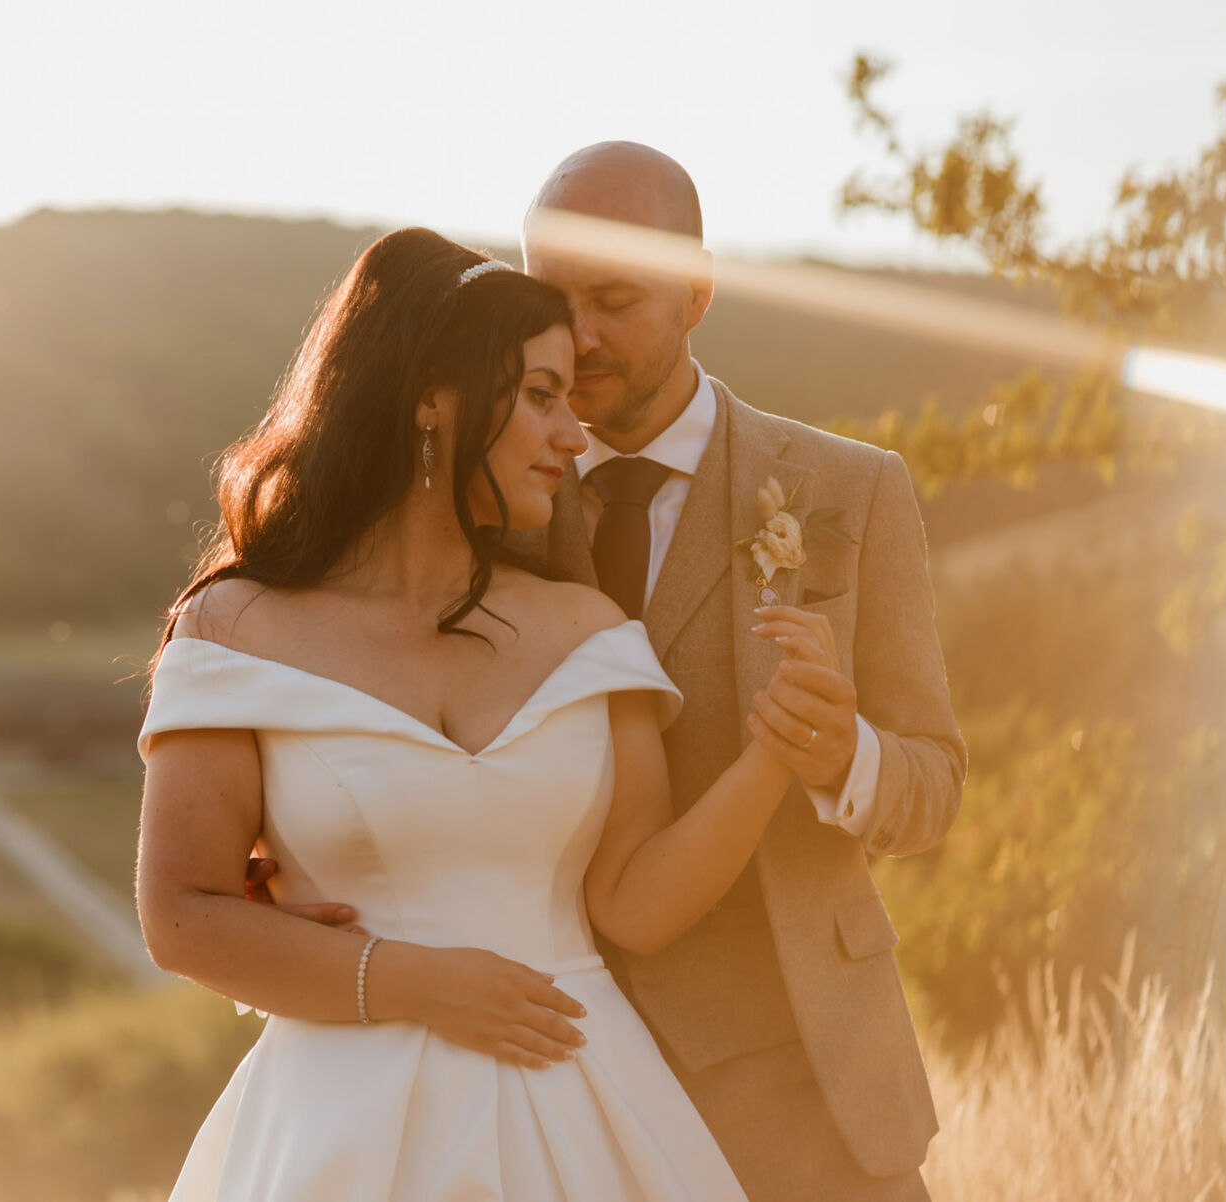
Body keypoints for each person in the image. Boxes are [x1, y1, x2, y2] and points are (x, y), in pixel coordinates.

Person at [249, 145, 968, 1201]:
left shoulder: (848, 493)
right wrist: (301, 835)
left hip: (799, 1076)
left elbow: (935, 783)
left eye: (616, 298)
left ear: (699, 290)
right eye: (555, 297)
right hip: (539, 1078)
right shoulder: (471, 506)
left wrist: (843, 753)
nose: (579, 336)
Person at [135, 226, 845, 1200]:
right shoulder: (234, 626)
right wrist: (414, 981)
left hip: (580, 1105)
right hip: (339, 1122)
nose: (573, 433)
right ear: (433, 396)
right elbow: (180, 914)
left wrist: (774, 753)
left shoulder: (587, 629)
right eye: (542, 396)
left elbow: (635, 900)